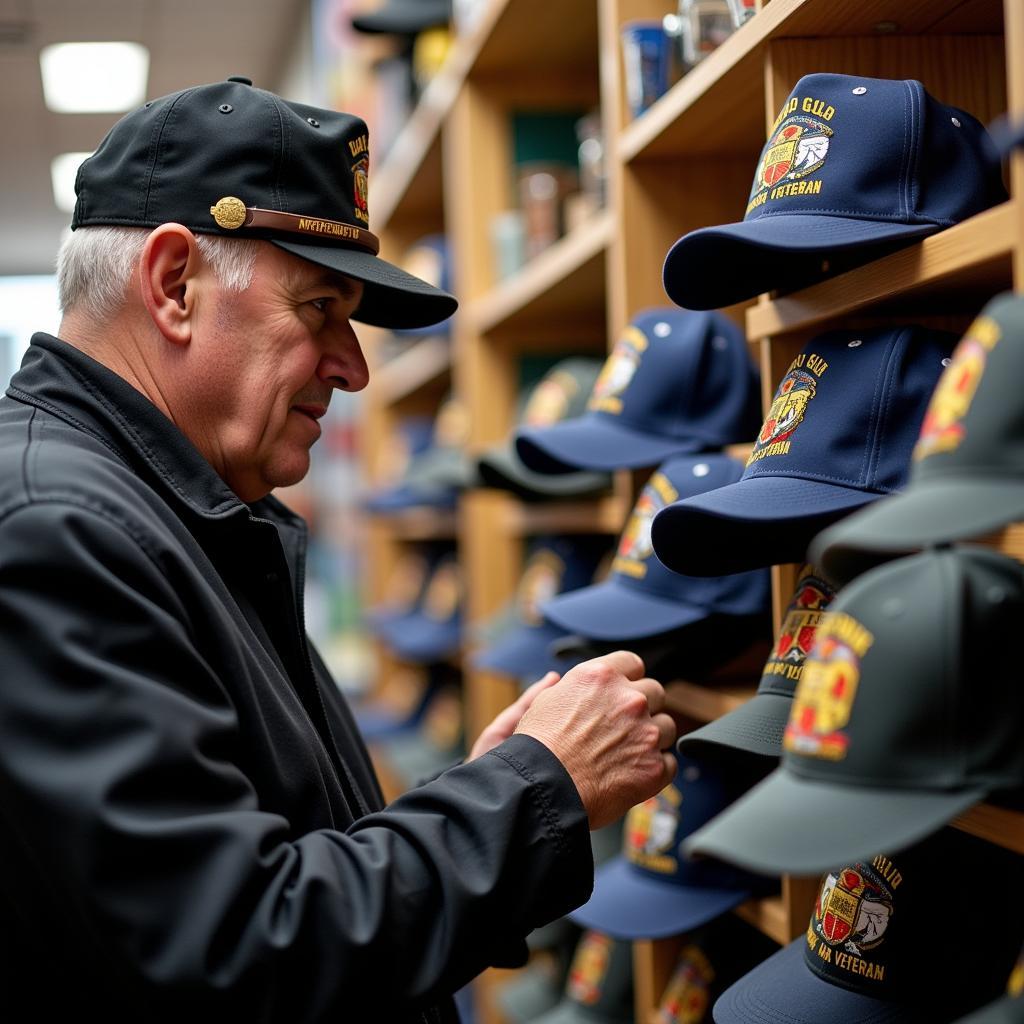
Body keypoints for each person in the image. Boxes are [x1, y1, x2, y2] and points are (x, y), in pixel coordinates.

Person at [0, 78, 676, 1021]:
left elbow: (272, 855)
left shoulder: (175, 511)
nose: (354, 366)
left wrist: (485, 792)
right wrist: (532, 795)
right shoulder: (57, 530)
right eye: (319, 307)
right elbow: (234, 957)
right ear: (173, 284)